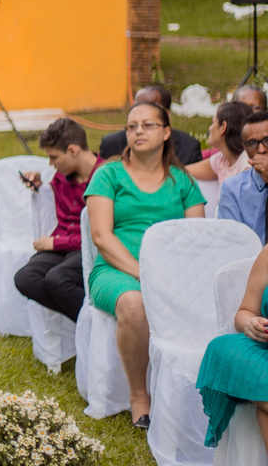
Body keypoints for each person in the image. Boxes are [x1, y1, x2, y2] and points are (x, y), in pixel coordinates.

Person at [85, 100, 206, 429]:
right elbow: (101, 236)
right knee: (135, 304)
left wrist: (173, 276)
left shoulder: (183, 182)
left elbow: (197, 237)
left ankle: (193, 396)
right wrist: (144, 274)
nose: (138, 130)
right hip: (116, 271)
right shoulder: (108, 175)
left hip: (173, 272)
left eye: (148, 124)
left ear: (167, 132)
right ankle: (140, 396)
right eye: (132, 126)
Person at [13, 118, 100, 322]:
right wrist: (39, 184)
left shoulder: (104, 178)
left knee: (58, 279)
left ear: (72, 151)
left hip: (89, 247)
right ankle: (87, 322)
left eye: (54, 157)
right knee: (25, 279)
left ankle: (95, 327)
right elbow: (55, 200)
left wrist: (54, 242)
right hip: (62, 246)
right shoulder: (61, 176)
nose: (50, 163)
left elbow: (100, 232)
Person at [196, 239, 268, 451]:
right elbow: (245, 312)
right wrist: (251, 324)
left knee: (263, 412)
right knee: (220, 348)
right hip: (263, 352)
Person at [99, 86, 202, 165]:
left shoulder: (188, 148)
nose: (139, 131)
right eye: (135, 107)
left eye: (148, 124)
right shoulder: (111, 144)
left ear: (166, 114)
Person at [217, 110, 268, 244]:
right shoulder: (232, 189)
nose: (261, 149)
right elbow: (232, 244)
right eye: (252, 143)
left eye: (267, 140)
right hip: (250, 262)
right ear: (244, 148)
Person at [187, 102, 251, 185]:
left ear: (223, 127)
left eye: (213, 122)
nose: (210, 128)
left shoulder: (246, 164)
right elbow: (184, 171)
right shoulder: (222, 160)